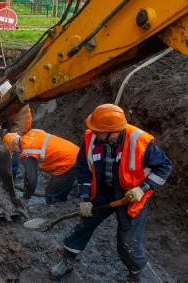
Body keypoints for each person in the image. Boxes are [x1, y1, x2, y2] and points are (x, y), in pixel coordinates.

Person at [50, 104, 172, 281]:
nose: (94, 133)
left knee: (128, 242)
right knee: (84, 225)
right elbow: (83, 169)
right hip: (102, 191)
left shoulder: (139, 141)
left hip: (131, 195)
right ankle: (66, 261)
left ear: (113, 131)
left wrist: (143, 188)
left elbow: (164, 167)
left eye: (98, 130)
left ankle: (135, 271)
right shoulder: (91, 139)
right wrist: (85, 199)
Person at [2, 129, 79, 205]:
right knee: (58, 189)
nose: (16, 153)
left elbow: (31, 179)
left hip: (68, 162)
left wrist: (26, 197)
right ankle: (67, 198)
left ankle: (58, 211)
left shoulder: (28, 151)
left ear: (14, 144)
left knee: (51, 195)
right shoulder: (33, 132)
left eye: (13, 150)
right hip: (75, 153)